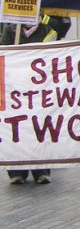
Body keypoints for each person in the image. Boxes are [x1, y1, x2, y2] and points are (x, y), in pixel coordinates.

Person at [3, 15, 61, 185]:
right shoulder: (10, 30)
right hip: (16, 88)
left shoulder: (47, 30)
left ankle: (41, 169)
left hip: (39, 89)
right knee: (17, 127)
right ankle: (17, 170)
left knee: (40, 127)